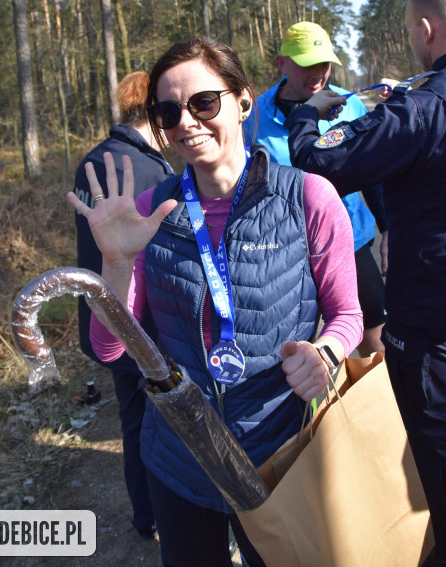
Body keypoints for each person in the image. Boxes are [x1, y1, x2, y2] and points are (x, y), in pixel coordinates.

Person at [68, 38, 363, 567]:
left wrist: (325, 353)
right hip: (178, 458)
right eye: (168, 111)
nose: (186, 122)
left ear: (243, 101)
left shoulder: (309, 198)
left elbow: (348, 317)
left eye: (204, 102)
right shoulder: (148, 211)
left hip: (278, 452)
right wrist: (113, 265)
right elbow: (109, 350)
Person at [285, 0, 446, 566]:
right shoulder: (416, 100)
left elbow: (318, 162)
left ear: (426, 29)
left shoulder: (422, 105)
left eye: (410, 32)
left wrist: (309, 114)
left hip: (432, 331)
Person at [245, 21, 388, 355]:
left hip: (351, 241)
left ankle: (377, 403)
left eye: (323, 63)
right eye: (306, 63)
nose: (318, 73)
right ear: (282, 63)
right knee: (296, 349)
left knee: (374, 337)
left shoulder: (349, 106)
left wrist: (387, 227)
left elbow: (370, 174)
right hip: (287, 251)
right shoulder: (252, 119)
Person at [73, 71, 173, 541]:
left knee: (132, 420)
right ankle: (162, 513)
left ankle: (143, 516)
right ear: (152, 112)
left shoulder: (94, 160)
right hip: (145, 324)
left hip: (105, 317)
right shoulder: (150, 172)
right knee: (158, 424)